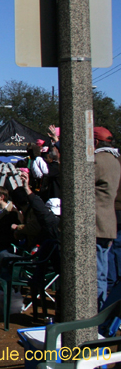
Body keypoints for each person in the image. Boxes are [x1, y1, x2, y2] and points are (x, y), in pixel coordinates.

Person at [94, 126, 120, 309]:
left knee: (95, 273)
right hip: (108, 222)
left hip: (96, 222)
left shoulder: (97, 161)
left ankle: (93, 313)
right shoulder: (114, 160)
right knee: (102, 272)